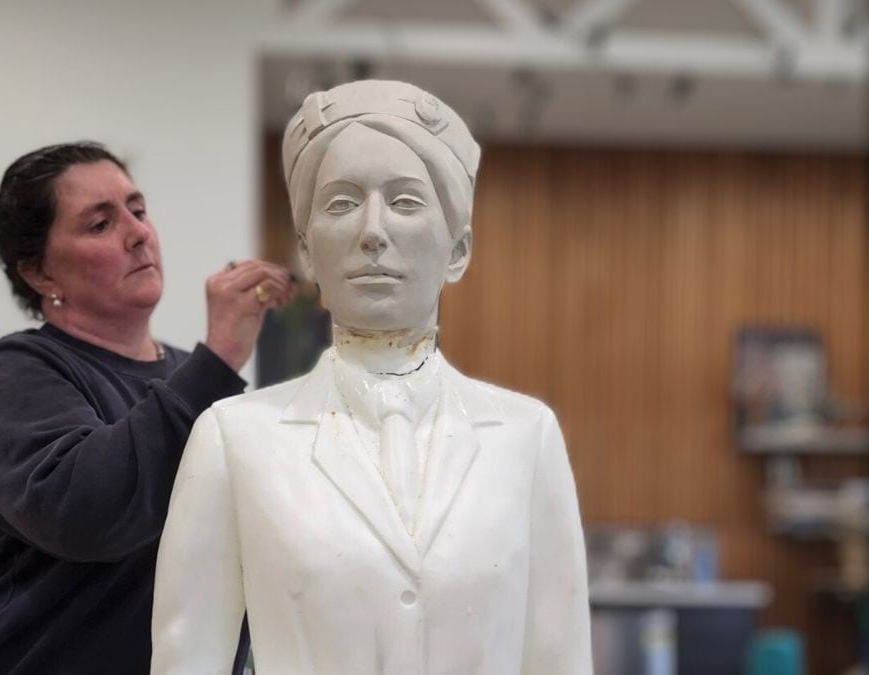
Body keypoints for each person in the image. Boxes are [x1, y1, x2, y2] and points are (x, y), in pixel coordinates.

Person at [151, 80, 592, 674]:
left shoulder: (525, 436)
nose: (373, 231)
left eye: (407, 201)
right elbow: (188, 656)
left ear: (458, 250)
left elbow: (559, 654)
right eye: (341, 203)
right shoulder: (234, 439)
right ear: (306, 251)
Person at [0, 142, 293, 674]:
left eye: (138, 209)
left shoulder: (194, 377)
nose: (138, 233)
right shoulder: (14, 372)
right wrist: (220, 357)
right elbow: (90, 512)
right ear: (40, 274)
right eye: (100, 224)